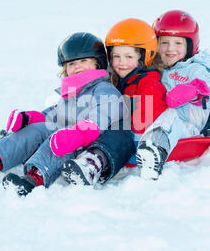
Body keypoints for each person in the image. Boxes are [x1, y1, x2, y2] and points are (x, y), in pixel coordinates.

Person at [0, 32, 128, 196]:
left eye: (83, 60)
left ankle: (33, 179)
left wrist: (79, 134)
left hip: (84, 143)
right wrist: (30, 118)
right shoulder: (72, 92)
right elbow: (55, 113)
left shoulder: (104, 89)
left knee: (57, 141)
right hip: (63, 134)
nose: (77, 67)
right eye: (71, 64)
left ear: (97, 63)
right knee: (36, 129)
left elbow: (106, 113)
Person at [60, 18, 169, 185]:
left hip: (130, 141)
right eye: (116, 56)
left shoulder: (149, 83)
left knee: (119, 129)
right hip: (105, 134)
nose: (121, 62)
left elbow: (147, 113)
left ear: (144, 57)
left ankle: (92, 165)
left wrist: (127, 121)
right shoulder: (113, 80)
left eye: (128, 56)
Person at [134, 9, 210, 180]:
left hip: (185, 127)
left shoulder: (195, 70)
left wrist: (194, 91)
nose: (170, 49)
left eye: (178, 43)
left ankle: (154, 151)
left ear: (190, 45)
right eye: (164, 43)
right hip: (153, 123)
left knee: (169, 114)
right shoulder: (156, 68)